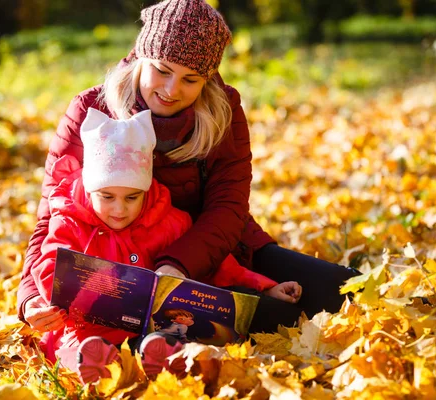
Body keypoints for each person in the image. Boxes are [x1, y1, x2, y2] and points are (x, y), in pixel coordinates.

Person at [18, 0, 358, 348]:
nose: (170, 90)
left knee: (345, 293)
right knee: (271, 321)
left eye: (190, 79)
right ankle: (140, 350)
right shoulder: (91, 109)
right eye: (162, 70)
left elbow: (228, 209)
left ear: (207, 79)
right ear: (141, 57)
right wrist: (30, 298)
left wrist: (177, 266)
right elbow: (51, 217)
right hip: (119, 269)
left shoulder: (223, 110)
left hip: (219, 252)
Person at [33, 107, 301, 383]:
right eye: (107, 197)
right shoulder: (71, 221)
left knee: (167, 336)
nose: (119, 209)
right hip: (88, 329)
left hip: (149, 328)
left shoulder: (168, 221)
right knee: (75, 348)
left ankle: (159, 357)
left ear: (146, 190)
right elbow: (49, 268)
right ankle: (93, 364)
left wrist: (265, 286)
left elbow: (218, 266)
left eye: (132, 198)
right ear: (90, 190)